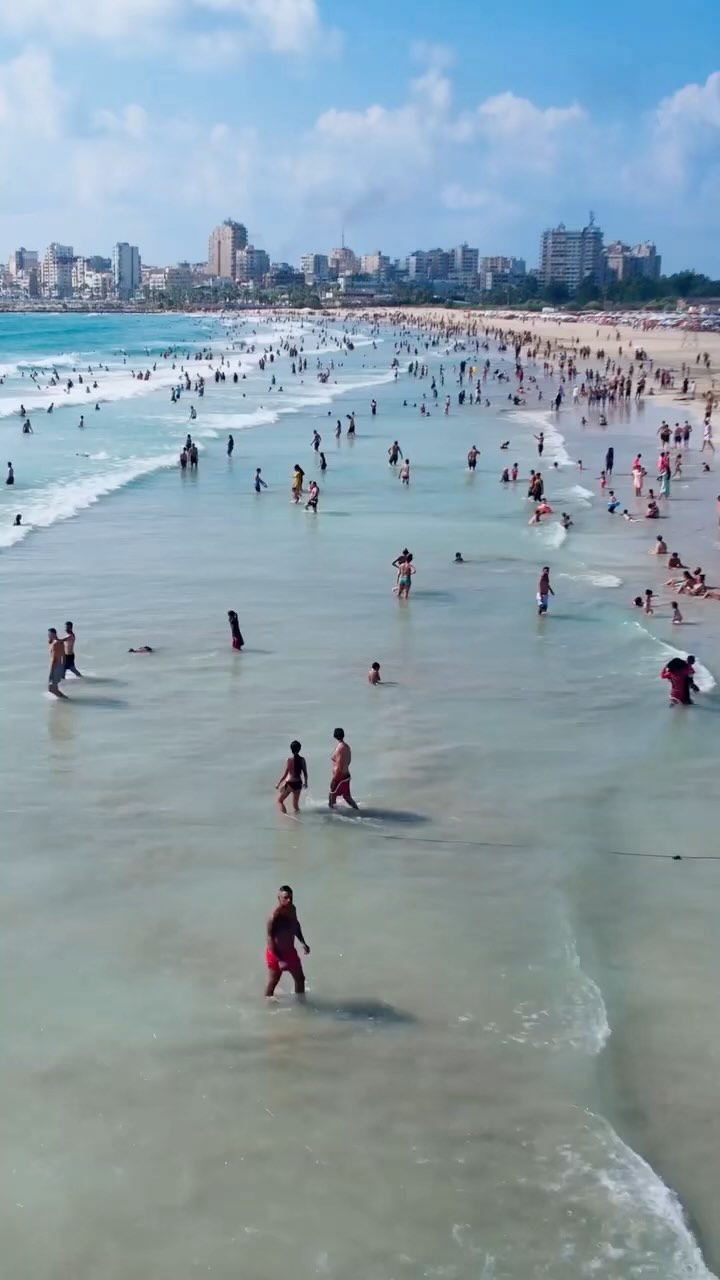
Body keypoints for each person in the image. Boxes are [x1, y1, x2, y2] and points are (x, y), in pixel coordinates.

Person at [265, 885, 310, 997]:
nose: (289, 900)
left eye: (291, 897)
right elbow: (269, 938)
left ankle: (300, 1003)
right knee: (273, 981)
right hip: (276, 953)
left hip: (290, 951)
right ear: (279, 898)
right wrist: (279, 959)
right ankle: (267, 1002)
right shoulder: (274, 916)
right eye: (285, 898)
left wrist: (303, 942)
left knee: (300, 979)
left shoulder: (292, 909)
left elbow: (296, 925)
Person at [328, 727, 358, 809]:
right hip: (346, 775)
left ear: (334, 735)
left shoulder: (339, 748)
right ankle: (357, 811)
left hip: (339, 776)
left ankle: (333, 814)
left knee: (331, 796)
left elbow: (339, 765)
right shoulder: (347, 746)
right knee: (347, 796)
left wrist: (335, 778)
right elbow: (348, 761)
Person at [275, 741, 308, 814]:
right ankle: (298, 817)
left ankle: (284, 815)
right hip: (298, 784)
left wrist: (278, 784)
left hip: (289, 784)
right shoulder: (302, 760)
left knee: (280, 801)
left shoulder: (289, 760)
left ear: (291, 749)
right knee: (295, 806)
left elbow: (285, 775)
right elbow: (305, 773)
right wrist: (306, 783)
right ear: (300, 749)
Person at [47, 628, 67, 698]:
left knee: (51, 688)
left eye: (49, 634)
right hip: (60, 666)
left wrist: (51, 671)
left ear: (53, 634)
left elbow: (54, 659)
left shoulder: (55, 644)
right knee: (53, 688)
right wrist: (63, 669)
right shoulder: (60, 642)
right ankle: (63, 700)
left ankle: (66, 700)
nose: (48, 636)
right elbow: (64, 656)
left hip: (55, 666)